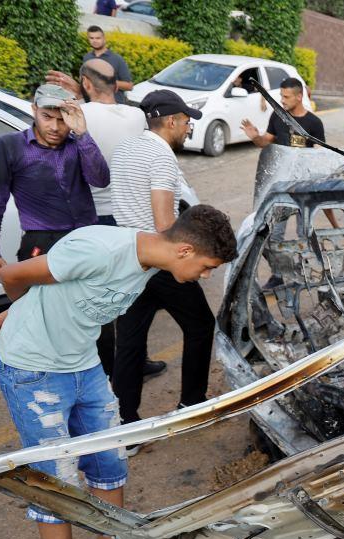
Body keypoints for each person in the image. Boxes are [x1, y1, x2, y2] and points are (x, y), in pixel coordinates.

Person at [0, 206, 236, 539]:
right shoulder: (97, 248)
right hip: (34, 371)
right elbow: (14, 274)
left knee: (110, 464)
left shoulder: (149, 264)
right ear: (184, 249)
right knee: (55, 485)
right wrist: (19, 318)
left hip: (85, 366)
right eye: (206, 267)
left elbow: (69, 300)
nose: (204, 276)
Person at [46, 59, 166, 380]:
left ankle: (108, 368)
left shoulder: (78, 116)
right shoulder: (136, 115)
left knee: (99, 300)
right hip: (131, 218)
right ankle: (135, 363)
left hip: (93, 218)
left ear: (85, 83)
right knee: (129, 297)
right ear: (116, 84)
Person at [110, 90, 216, 440]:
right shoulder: (161, 156)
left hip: (129, 258)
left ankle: (125, 425)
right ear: (171, 121)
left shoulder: (125, 148)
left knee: (129, 342)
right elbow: (162, 222)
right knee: (201, 325)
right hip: (161, 262)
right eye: (186, 122)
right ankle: (192, 405)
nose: (187, 129)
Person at [0, 84, 106, 278]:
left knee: (85, 304)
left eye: (62, 120)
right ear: (34, 109)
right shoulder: (9, 146)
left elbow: (101, 180)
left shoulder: (77, 143)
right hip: (41, 242)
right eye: (47, 117)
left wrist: (82, 134)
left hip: (86, 238)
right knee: (39, 304)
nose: (54, 127)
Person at [241, 77, 325, 148]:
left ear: (299, 97)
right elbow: (265, 142)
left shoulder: (315, 122)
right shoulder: (277, 115)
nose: (282, 100)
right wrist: (256, 137)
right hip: (280, 166)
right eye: (281, 96)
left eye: (286, 97)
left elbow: (319, 155)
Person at [84, 26, 133, 103]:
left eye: (98, 38)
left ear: (104, 39)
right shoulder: (87, 57)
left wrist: (108, 82)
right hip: (91, 103)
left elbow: (129, 86)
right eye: (91, 38)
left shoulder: (117, 59)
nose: (94, 41)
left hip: (113, 105)